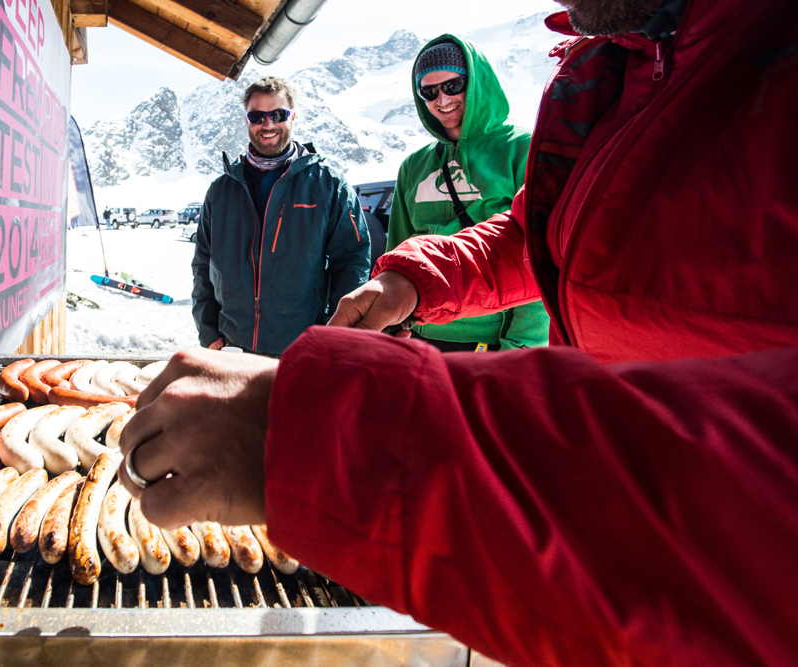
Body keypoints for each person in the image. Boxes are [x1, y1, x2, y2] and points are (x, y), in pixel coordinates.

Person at [119, 0, 798, 665]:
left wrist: (320, 432)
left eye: (453, 87)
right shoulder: (630, 62)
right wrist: (416, 278)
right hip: (590, 586)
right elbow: (557, 236)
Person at [388, 35, 549, 352]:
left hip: (489, 341)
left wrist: (520, 348)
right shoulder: (413, 167)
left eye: (452, 85)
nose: (441, 99)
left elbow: (540, 257)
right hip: (420, 336)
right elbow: (399, 250)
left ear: (476, 82)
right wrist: (392, 324)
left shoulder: (523, 149)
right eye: (429, 91)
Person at [191, 76, 370, 356]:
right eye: (257, 116)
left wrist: (335, 332)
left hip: (303, 347)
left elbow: (352, 262)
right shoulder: (222, 190)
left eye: (277, 114)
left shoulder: (328, 185)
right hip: (232, 346)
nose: (268, 124)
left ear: (293, 117)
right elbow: (203, 263)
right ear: (247, 120)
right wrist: (208, 328)